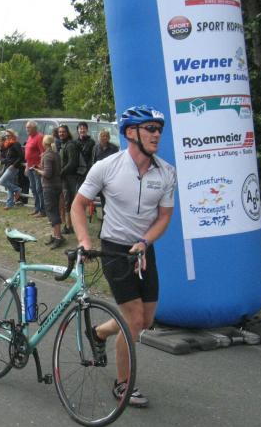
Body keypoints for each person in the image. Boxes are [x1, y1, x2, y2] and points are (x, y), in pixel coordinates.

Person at [70, 105, 176, 408]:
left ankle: (99, 333)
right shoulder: (107, 167)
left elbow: (164, 217)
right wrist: (84, 240)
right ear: (131, 132)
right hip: (114, 250)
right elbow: (78, 205)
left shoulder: (166, 172)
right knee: (133, 319)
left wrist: (145, 241)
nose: (157, 134)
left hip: (143, 250)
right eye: (150, 128)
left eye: (159, 129)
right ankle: (123, 384)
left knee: (147, 319)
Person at [34, 135, 64, 248]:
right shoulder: (56, 154)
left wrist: (37, 170)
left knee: (52, 211)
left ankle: (58, 237)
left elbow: (47, 174)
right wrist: (40, 168)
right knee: (54, 210)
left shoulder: (47, 156)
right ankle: (55, 235)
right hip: (57, 185)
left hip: (49, 186)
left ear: (44, 143)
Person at [57, 124, 80, 234]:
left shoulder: (70, 145)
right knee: (67, 202)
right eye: (60, 132)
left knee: (69, 202)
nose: (61, 133)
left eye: (63, 132)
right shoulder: (63, 144)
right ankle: (68, 224)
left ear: (67, 133)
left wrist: (61, 172)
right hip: (65, 177)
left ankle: (69, 225)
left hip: (70, 177)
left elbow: (72, 163)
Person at [24, 121, 45, 217]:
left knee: (39, 189)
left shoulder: (39, 137)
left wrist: (40, 166)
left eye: (28, 127)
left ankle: (42, 210)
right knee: (33, 188)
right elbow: (28, 154)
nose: (27, 129)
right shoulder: (29, 137)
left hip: (36, 168)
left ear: (34, 128)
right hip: (30, 167)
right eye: (26, 127)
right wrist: (26, 167)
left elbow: (43, 153)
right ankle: (37, 208)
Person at [0, 130, 23, 210]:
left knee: (1, 181)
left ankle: (17, 189)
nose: (7, 137)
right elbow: (5, 155)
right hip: (8, 166)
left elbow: (21, 156)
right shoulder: (8, 144)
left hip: (13, 167)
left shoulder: (16, 144)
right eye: (6, 136)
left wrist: (14, 165)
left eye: (8, 135)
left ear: (13, 135)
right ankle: (9, 204)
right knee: (9, 186)